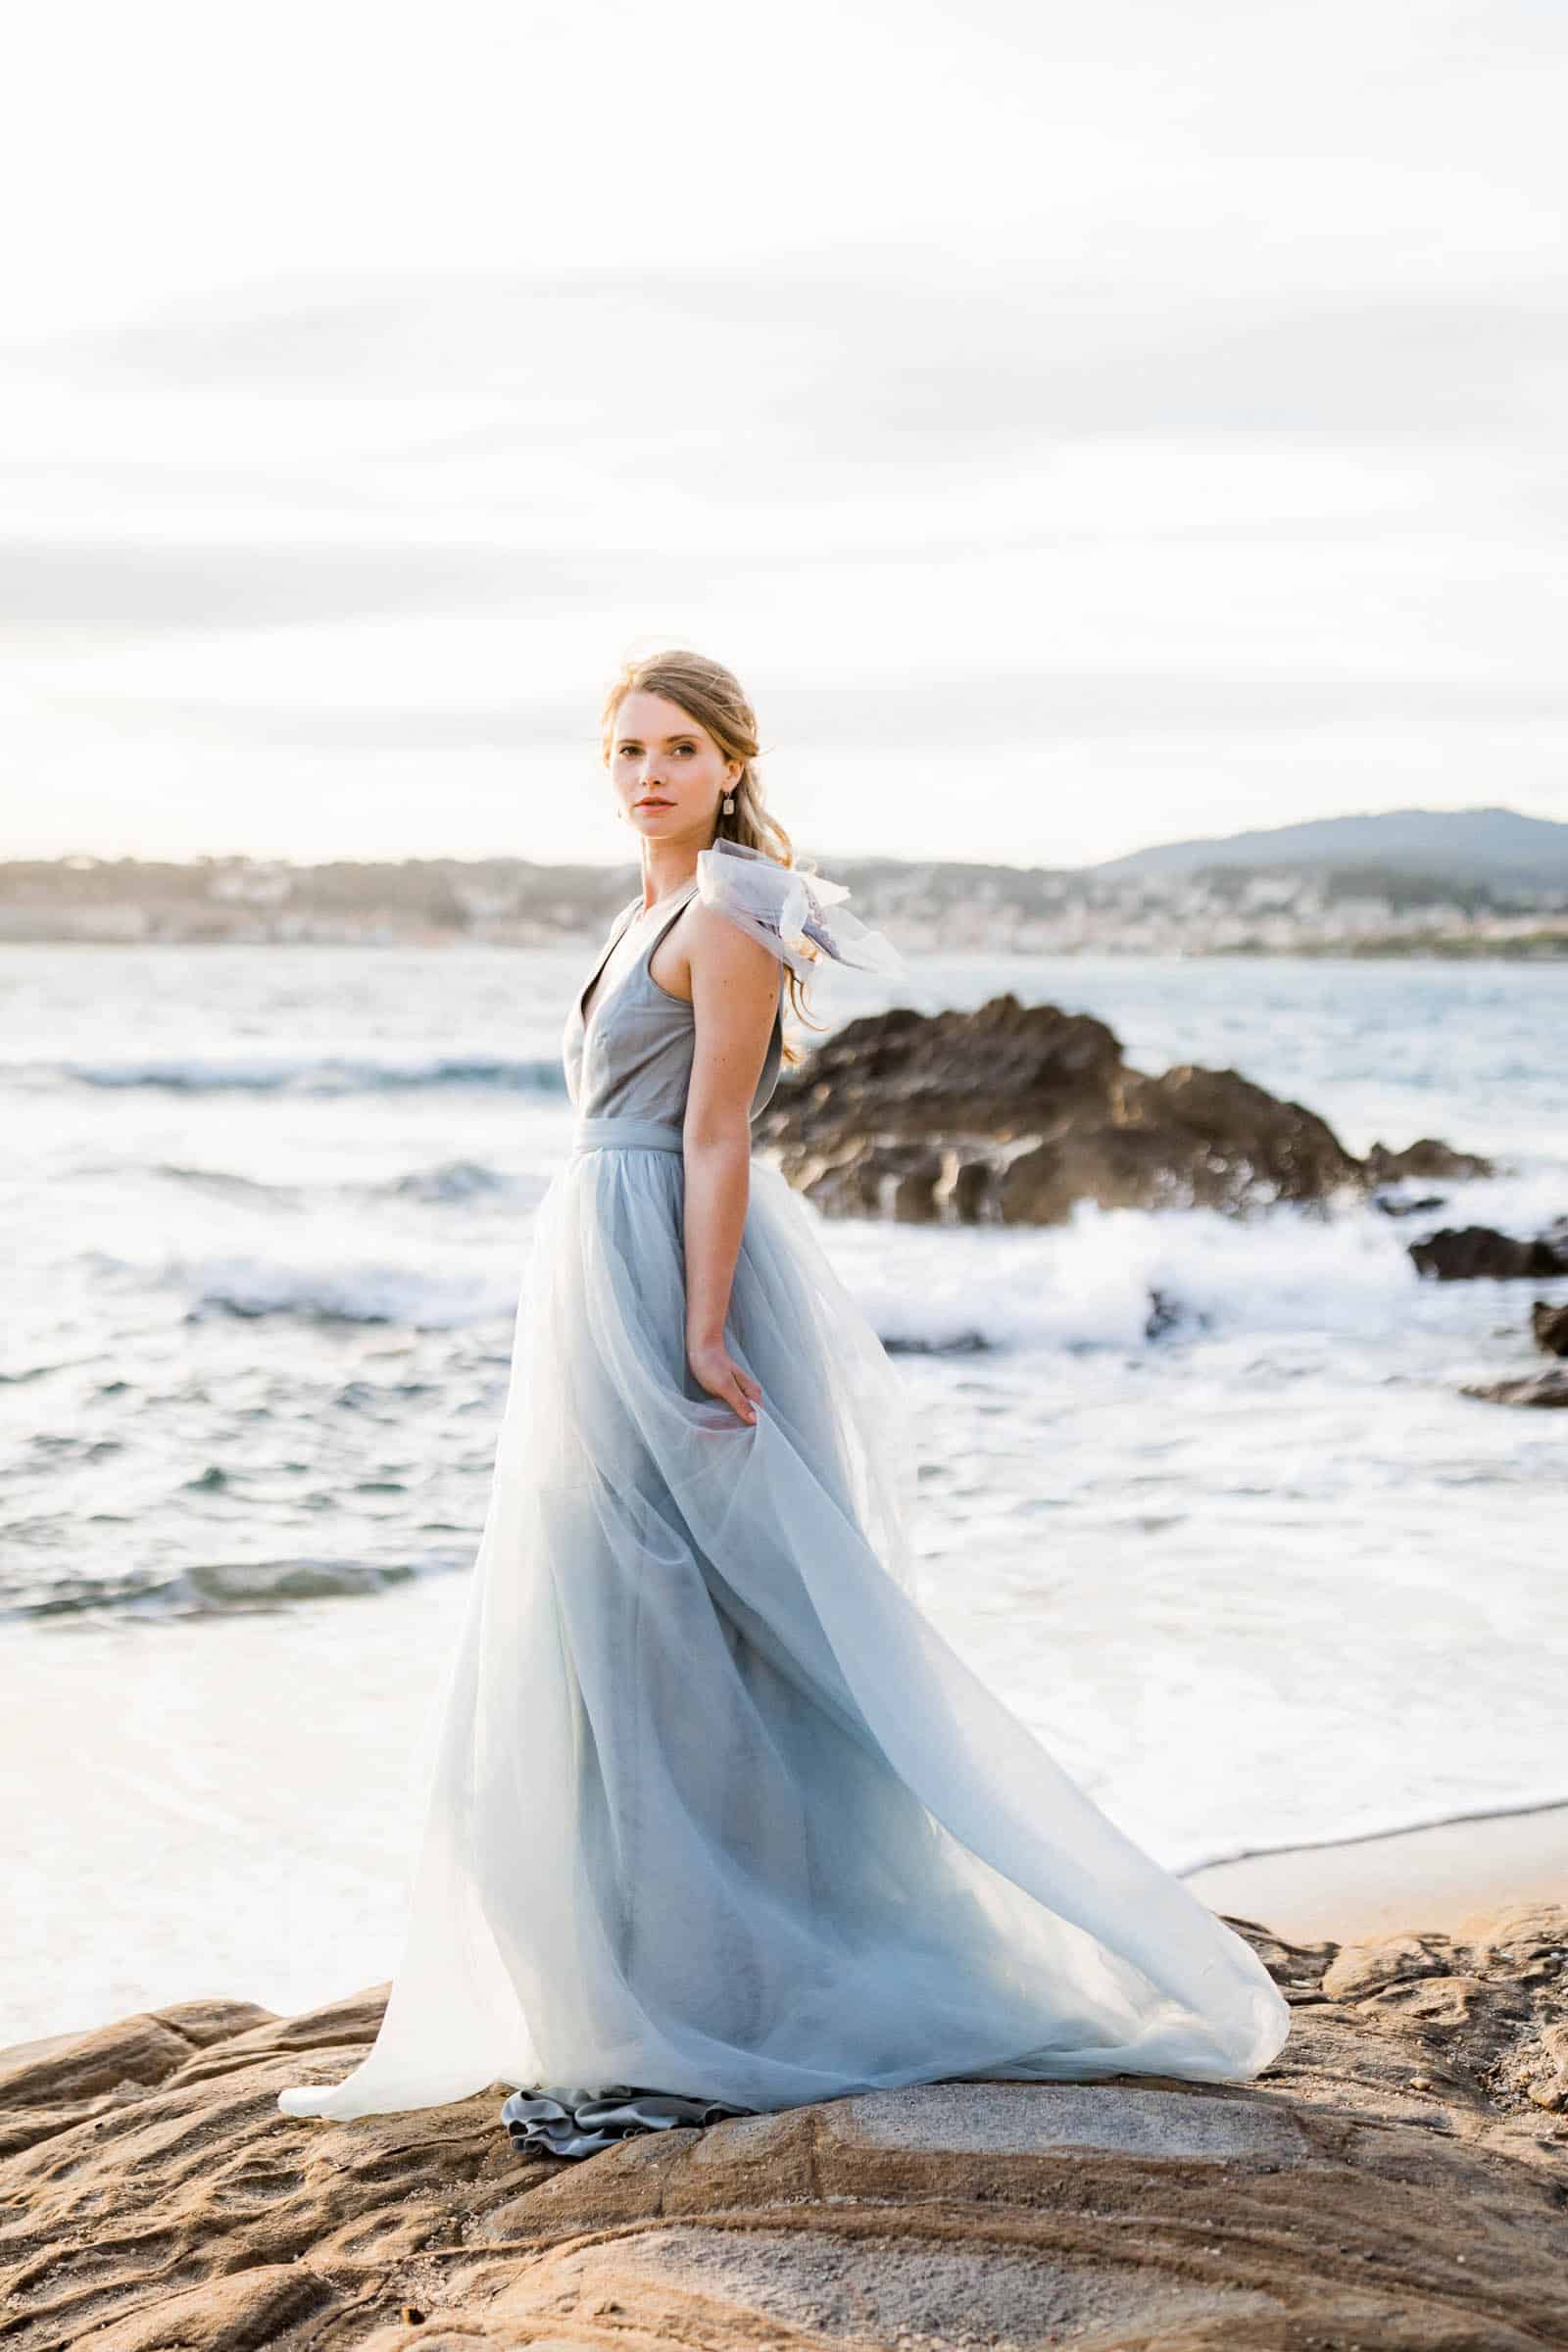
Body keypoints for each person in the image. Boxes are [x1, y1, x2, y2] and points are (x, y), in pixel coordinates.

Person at [277, 649, 1291, 2157]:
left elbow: (714, 1140)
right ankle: (638, 1985)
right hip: (594, 1265)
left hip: (668, 1273)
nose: (647, 773)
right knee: (610, 1619)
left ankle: (716, 2002)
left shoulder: (735, 913)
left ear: (734, 764)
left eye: (679, 748)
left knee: (693, 1630)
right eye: (626, 748)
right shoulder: (643, 910)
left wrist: (696, 1327)